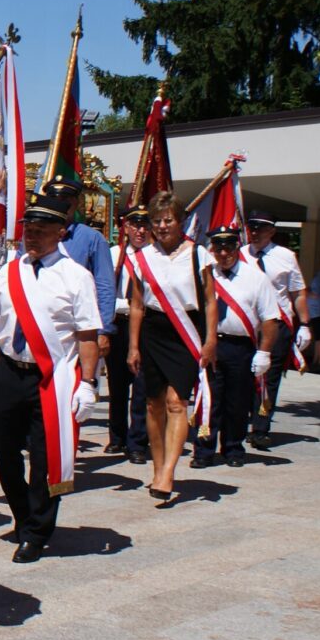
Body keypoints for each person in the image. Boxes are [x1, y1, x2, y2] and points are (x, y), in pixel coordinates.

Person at [0, 192, 101, 563]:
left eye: (41, 229)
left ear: (60, 232)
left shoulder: (76, 277)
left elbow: (87, 335)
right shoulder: (8, 272)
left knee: (45, 458)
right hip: (8, 371)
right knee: (3, 450)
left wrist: (89, 383)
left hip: (52, 377)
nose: (31, 235)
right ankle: (22, 515)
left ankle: (37, 531)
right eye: (28, 229)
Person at [126, 191, 218, 504]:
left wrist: (211, 340)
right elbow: (137, 305)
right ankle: (157, 466)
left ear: (180, 221)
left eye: (168, 220)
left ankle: (168, 471)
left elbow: (210, 301)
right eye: (156, 221)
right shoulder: (142, 258)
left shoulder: (198, 254)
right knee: (153, 403)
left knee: (177, 402)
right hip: (153, 331)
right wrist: (133, 346)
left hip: (185, 332)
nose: (162, 226)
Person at [199, 227, 279, 468]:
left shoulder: (256, 277)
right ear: (212, 249)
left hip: (240, 347)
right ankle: (203, 450)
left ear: (237, 247)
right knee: (210, 399)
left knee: (237, 401)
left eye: (229, 247)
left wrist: (264, 352)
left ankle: (233, 448)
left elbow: (270, 318)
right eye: (218, 248)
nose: (224, 253)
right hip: (211, 343)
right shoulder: (205, 275)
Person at [243, 210, 310, 449]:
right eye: (252, 227)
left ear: (271, 231)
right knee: (245, 376)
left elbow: (298, 292)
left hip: (277, 324)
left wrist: (305, 324)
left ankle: (261, 428)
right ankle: (243, 422)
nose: (255, 232)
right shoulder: (240, 254)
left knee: (269, 378)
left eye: (261, 228)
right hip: (248, 325)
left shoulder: (286, 256)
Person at [41, 174, 117, 361]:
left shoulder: (93, 239)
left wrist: (103, 331)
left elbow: (104, 286)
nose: (60, 203)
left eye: (66, 199)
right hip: (40, 323)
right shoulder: (33, 235)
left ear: (76, 202)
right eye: (54, 198)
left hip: (78, 328)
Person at [106, 203, 152, 462]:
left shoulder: (155, 257)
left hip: (146, 327)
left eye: (145, 225)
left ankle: (138, 442)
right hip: (119, 324)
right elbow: (104, 289)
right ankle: (117, 437)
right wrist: (124, 305)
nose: (140, 231)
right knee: (117, 385)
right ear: (126, 227)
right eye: (135, 225)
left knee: (142, 387)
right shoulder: (114, 254)